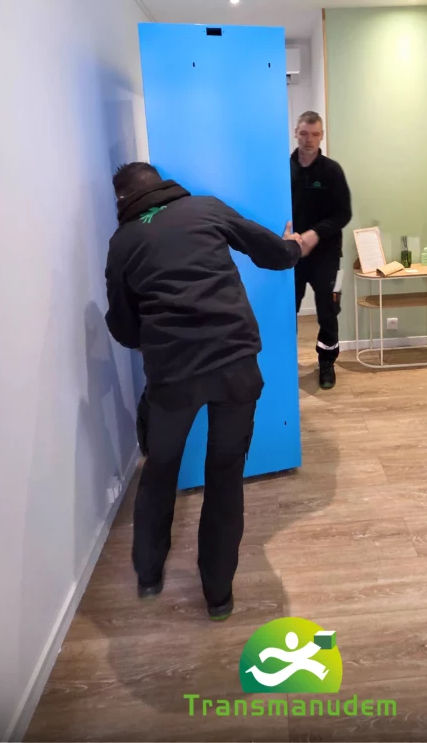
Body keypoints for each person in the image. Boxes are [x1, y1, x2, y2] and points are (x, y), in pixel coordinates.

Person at [104, 161, 304, 620]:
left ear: (122, 201)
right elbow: (271, 252)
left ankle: (149, 575)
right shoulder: (205, 208)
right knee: (225, 475)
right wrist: (293, 245)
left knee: (160, 471)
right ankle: (218, 596)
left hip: (172, 376)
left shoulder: (123, 242)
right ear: (162, 186)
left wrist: (154, 339)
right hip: (234, 363)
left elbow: (122, 326)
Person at [291, 111, 352, 390]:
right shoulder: (283, 170)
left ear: (322, 136)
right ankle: (284, 361)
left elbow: (344, 214)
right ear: (296, 133)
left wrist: (315, 234)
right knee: (284, 309)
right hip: (291, 254)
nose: (309, 140)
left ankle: (326, 362)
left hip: (327, 255)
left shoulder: (331, 171)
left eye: (315, 134)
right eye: (304, 133)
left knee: (328, 310)